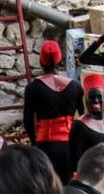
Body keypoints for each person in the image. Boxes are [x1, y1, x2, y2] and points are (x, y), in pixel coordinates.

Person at [23, 40, 83, 182]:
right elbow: (83, 118)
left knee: (45, 184)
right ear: (60, 59)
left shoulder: (32, 88)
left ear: (41, 62)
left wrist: (34, 142)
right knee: (67, 182)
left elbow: (28, 121)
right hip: (68, 143)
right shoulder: (75, 86)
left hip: (44, 144)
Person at [68, 75, 104, 170]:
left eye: (99, 97)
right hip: (92, 176)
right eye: (92, 97)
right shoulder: (79, 125)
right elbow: (74, 160)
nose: (96, 100)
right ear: (86, 100)